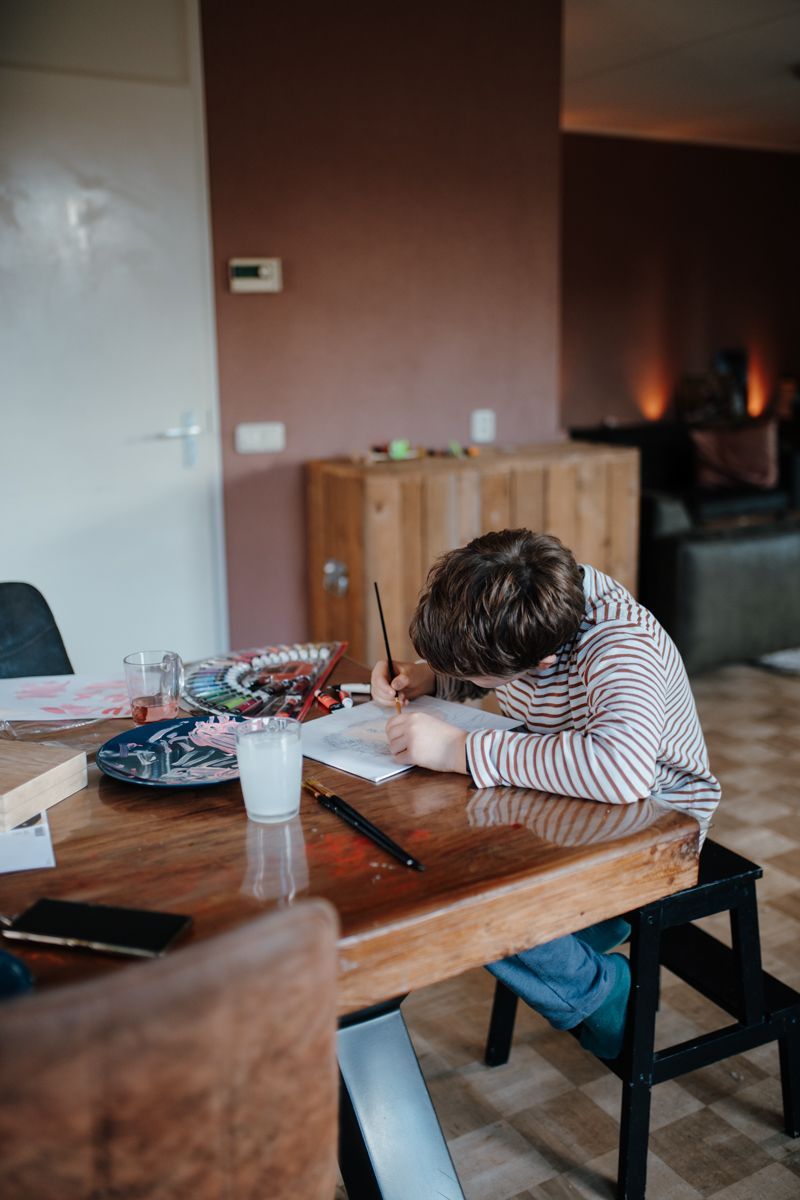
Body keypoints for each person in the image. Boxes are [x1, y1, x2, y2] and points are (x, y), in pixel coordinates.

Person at [371, 529, 720, 1058]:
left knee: (468, 893)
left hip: (652, 823)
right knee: (438, 858)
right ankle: (571, 934)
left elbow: (620, 772)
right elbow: (496, 670)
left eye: (473, 672)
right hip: (567, 799)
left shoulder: (620, 647)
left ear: (541, 663)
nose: (465, 677)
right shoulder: (529, 605)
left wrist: (463, 750)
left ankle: (597, 990)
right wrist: (430, 678)